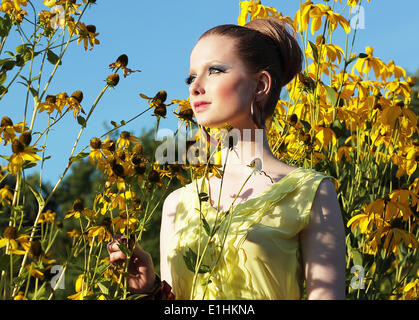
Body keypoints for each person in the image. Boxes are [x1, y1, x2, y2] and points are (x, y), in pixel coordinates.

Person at [107, 17, 346, 300]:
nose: (195, 87)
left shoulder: (311, 192)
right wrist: (150, 290)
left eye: (215, 71)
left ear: (260, 85)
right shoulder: (178, 203)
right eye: (190, 77)